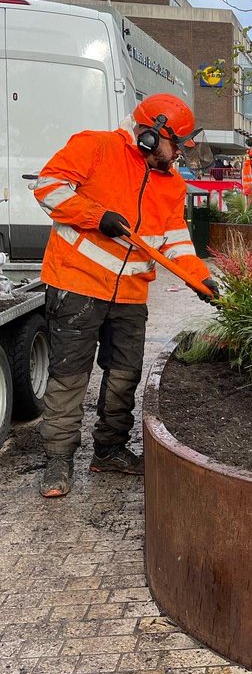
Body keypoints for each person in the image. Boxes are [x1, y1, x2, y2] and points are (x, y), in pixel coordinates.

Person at [32, 94, 218, 499]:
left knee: (124, 373)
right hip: (77, 284)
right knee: (69, 375)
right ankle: (58, 460)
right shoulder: (96, 147)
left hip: (130, 294)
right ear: (151, 136)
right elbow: (48, 187)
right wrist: (96, 216)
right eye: (178, 145)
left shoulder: (172, 183)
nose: (181, 154)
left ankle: (110, 449)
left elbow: (175, 241)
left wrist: (201, 280)